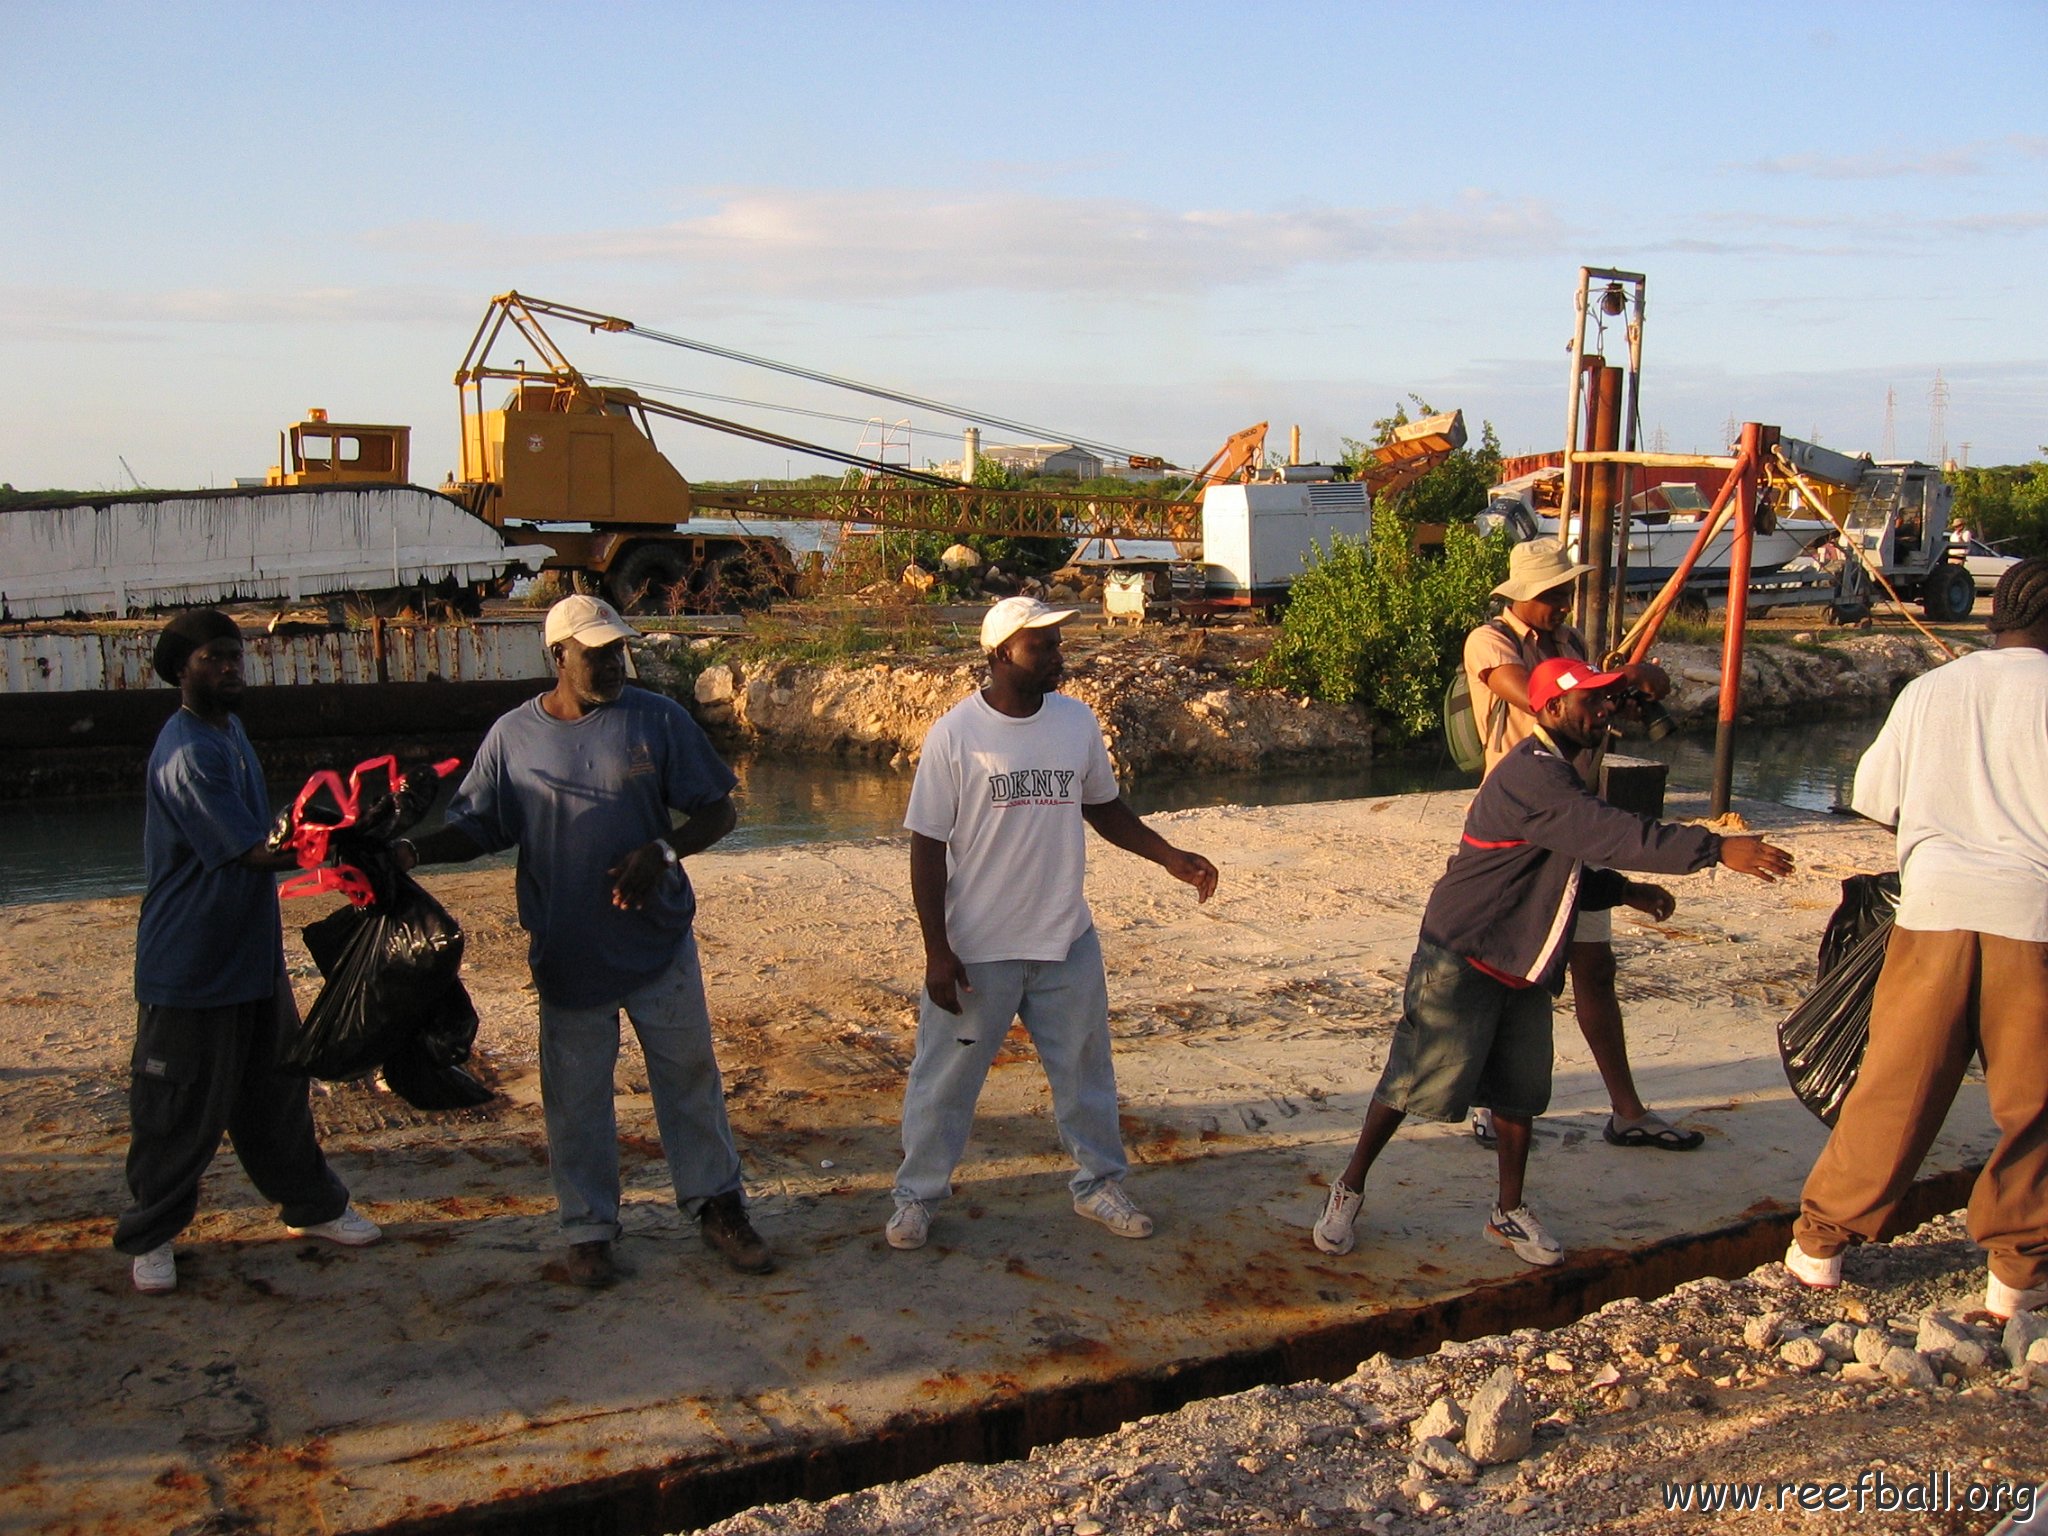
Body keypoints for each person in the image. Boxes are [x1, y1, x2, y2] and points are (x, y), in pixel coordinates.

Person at [1315, 657, 1793, 1266]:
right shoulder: (1533, 776)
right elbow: (1609, 831)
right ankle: (1350, 1186)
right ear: (1547, 712)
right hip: (1466, 950)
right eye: (1588, 704)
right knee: (1412, 1079)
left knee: (1520, 1093)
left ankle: (1508, 1212)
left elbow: (1560, 864)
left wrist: (1625, 892)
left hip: (1526, 954)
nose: (1602, 712)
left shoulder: (1563, 770)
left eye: (1604, 702)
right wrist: (1716, 847)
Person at [402, 595, 768, 1287]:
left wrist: (661, 851)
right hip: (568, 951)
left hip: (658, 943)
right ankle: (590, 1230)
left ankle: (719, 1206)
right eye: (594, 652)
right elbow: (478, 825)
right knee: (575, 1099)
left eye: (616, 649)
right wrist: (411, 854)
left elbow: (718, 809)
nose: (610, 662)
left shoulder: (658, 719)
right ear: (557, 657)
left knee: (690, 1080)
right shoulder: (513, 738)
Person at [886, 596, 1219, 1250]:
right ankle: (916, 1197)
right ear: (1001, 653)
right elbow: (926, 846)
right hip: (979, 949)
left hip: (1066, 940)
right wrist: (937, 950)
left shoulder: (1075, 723)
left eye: (1057, 642)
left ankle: (1099, 1186)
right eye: (1042, 645)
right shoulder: (956, 735)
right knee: (944, 1081)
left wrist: (1170, 857)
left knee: (1085, 1072)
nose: (1057, 655)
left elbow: (1105, 808)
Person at [1786, 558, 2048, 1319]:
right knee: (2032, 1104)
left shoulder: (1934, 689)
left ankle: (1819, 1247)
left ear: (1998, 618)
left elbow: (1874, 798)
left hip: (1932, 910)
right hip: (2033, 917)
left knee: (1895, 1088)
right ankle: (2016, 1278)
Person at [117, 609, 381, 1294]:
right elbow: (253, 853)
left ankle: (313, 1206)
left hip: (251, 955)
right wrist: (345, 839)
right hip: (191, 962)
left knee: (276, 1093)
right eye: (215, 659)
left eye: (236, 656)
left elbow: (272, 829)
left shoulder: (227, 730)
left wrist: (342, 823)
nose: (232, 668)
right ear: (182, 669)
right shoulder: (188, 753)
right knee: (175, 1105)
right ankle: (151, 1234)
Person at [1463, 538, 1698, 1152]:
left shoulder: (1569, 646)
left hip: (1576, 816)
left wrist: (1635, 685)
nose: (1564, 603)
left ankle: (1627, 1110)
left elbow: (1589, 704)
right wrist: (1606, 685)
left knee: (1595, 966)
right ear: (1524, 596)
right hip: (1518, 830)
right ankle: (1491, 1101)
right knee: (1507, 970)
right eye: (1553, 595)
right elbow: (1538, 698)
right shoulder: (1491, 642)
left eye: (1566, 592)